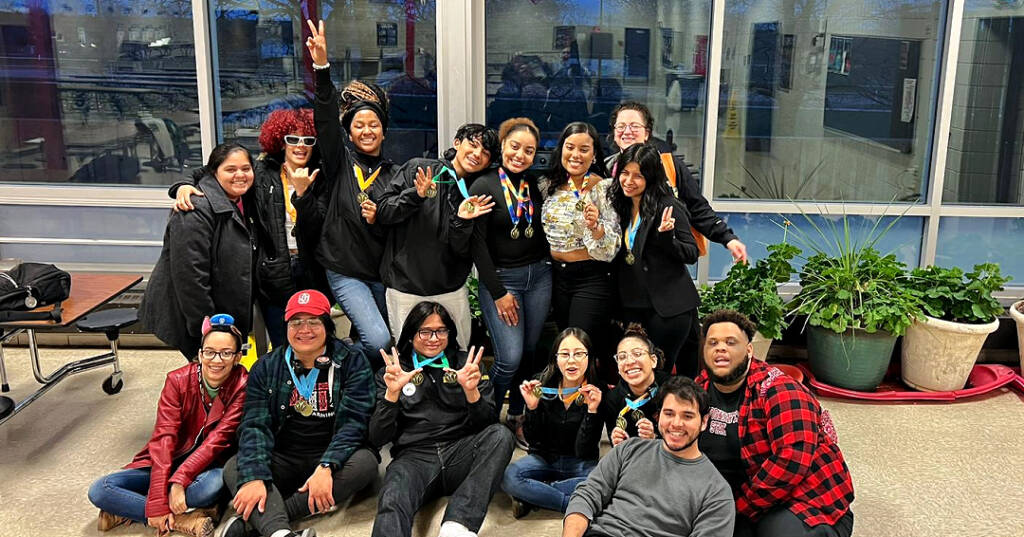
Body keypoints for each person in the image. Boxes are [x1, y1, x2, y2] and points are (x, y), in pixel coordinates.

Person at [604, 101, 748, 374]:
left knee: (680, 362)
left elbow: (697, 207)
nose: (627, 131)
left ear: (647, 132)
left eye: (634, 126)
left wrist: (727, 238)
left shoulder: (668, 166)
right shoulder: (605, 170)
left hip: (667, 289)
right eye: (620, 126)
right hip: (628, 292)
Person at [222, 290, 377, 537]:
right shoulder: (266, 366)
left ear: (327, 325)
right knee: (234, 467)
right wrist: (254, 477)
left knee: (366, 465)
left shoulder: (352, 361)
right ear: (286, 327)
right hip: (283, 454)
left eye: (313, 321)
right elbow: (254, 425)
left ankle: (265, 526)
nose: (304, 329)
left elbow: (355, 422)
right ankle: (282, 533)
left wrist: (327, 465)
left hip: (329, 457)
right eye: (296, 322)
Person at [172, 109, 325, 349]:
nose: (300, 146)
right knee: (283, 342)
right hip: (274, 275)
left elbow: (318, 227)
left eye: (308, 140)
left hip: (312, 271)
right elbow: (215, 171)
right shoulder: (262, 172)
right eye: (292, 139)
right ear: (280, 141)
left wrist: (304, 194)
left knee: (312, 340)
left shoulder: (321, 176)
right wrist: (184, 185)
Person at [696, 310, 855, 537]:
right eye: (713, 343)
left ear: (749, 350)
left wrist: (736, 509)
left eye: (731, 342)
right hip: (739, 494)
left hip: (802, 499)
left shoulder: (780, 390)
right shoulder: (698, 389)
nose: (720, 348)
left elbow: (791, 460)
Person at [88, 314, 248, 537]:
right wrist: (157, 500)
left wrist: (180, 481)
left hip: (204, 469)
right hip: (165, 462)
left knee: (212, 486)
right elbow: (164, 438)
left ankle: (129, 509)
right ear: (200, 354)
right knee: (100, 490)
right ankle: (180, 520)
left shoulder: (242, 385)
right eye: (210, 352)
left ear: (238, 357)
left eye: (226, 353)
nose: (217, 360)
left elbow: (215, 442)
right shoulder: (178, 380)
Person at [369, 301, 515, 537]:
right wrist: (392, 394)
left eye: (441, 330)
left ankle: (458, 525)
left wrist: (472, 392)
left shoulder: (466, 364)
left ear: (450, 333)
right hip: (414, 458)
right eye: (425, 331)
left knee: (501, 436)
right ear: (410, 334)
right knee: (392, 497)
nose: (433, 338)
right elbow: (377, 437)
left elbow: (488, 425)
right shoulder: (394, 369)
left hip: (460, 451)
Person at [302, 20, 397, 363]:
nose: (367, 130)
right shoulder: (339, 162)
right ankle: (338, 363)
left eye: (374, 125)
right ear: (350, 131)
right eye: (359, 125)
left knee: (392, 344)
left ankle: (367, 390)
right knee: (379, 339)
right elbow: (325, 118)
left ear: (384, 132)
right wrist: (322, 67)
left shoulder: (393, 173)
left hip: (382, 272)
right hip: (345, 269)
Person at [562, 376, 735, 537]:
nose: (676, 423)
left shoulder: (717, 492)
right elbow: (587, 494)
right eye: (669, 414)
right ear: (658, 416)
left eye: (687, 416)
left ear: (704, 421)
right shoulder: (629, 449)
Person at [376, 124, 498, 351]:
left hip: (451, 289)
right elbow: (383, 212)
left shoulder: (476, 191)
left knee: (459, 353)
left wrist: (462, 220)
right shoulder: (419, 169)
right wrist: (416, 195)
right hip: (405, 287)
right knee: (408, 356)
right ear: (457, 143)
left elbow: (462, 249)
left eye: (485, 153)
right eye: (473, 145)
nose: (477, 154)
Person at [468, 117, 552, 435]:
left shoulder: (533, 184)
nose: (520, 155)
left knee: (529, 354)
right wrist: (499, 291)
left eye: (529, 150)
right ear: (502, 146)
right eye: (515, 147)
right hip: (503, 282)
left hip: (540, 277)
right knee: (509, 358)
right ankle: (485, 416)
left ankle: (518, 415)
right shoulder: (484, 184)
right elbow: (477, 246)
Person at [140, 143, 258, 360]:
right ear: (214, 172)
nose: (240, 175)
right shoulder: (194, 209)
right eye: (230, 170)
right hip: (195, 319)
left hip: (220, 315)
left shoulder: (239, 198)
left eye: (246, 168)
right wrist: (206, 332)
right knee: (208, 376)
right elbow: (191, 278)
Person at [607, 143, 701, 375]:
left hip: (667, 309)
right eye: (625, 173)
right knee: (636, 374)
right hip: (632, 307)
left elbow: (691, 253)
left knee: (658, 373)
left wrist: (667, 237)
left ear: (650, 177)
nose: (629, 180)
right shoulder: (620, 206)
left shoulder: (668, 206)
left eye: (638, 175)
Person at [540, 121, 621, 382]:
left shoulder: (604, 188)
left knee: (579, 347)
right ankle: (568, 407)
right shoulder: (547, 185)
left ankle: (589, 410)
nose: (576, 155)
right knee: (566, 347)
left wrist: (596, 227)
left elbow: (611, 247)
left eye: (584, 149)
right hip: (557, 277)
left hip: (591, 278)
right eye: (570, 147)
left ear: (595, 154)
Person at [502, 327, 603, 518]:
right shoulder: (540, 384)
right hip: (544, 460)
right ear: (555, 359)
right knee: (510, 476)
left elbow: (585, 449)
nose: (572, 360)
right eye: (565, 354)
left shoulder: (597, 390)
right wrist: (532, 408)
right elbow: (533, 440)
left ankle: (537, 494)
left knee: (604, 481)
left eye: (579, 354)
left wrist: (592, 411)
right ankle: (570, 504)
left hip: (580, 463)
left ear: (589, 358)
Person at [602, 327, 669, 446]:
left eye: (637, 354)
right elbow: (615, 448)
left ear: (653, 360)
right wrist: (618, 444)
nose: (629, 361)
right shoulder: (613, 399)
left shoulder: (673, 390)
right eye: (622, 357)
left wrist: (655, 438)